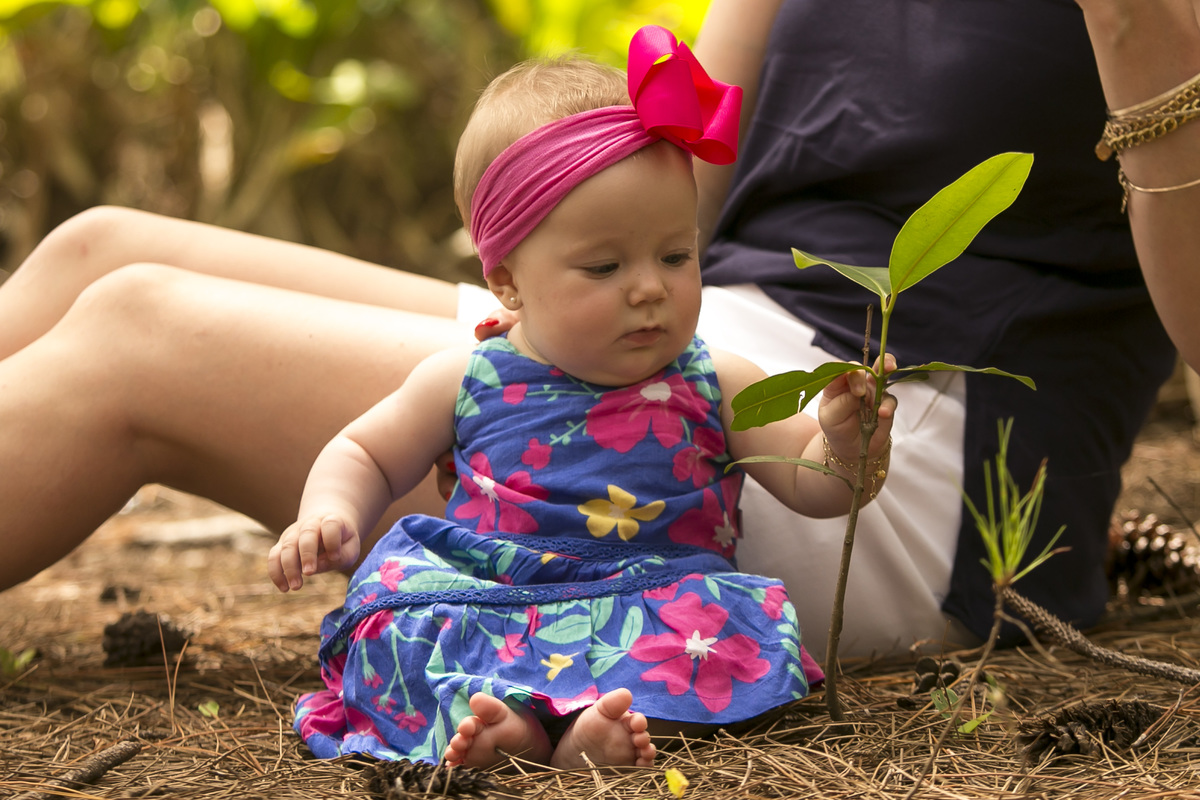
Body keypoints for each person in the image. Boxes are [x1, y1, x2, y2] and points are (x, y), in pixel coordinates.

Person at [0, 0, 1193, 657]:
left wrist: (1143, 34)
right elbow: (675, 178)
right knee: (101, 248)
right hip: (684, 325)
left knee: (137, 331)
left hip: (883, 451)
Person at [267, 27, 890, 768]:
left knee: (714, 633)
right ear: (507, 282)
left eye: (676, 255)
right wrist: (330, 511)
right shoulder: (465, 376)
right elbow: (364, 450)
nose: (650, 286)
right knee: (396, 619)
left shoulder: (715, 378)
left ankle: (595, 729)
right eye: (603, 266)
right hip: (495, 593)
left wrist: (846, 444)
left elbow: (809, 480)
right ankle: (516, 728)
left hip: (651, 599)